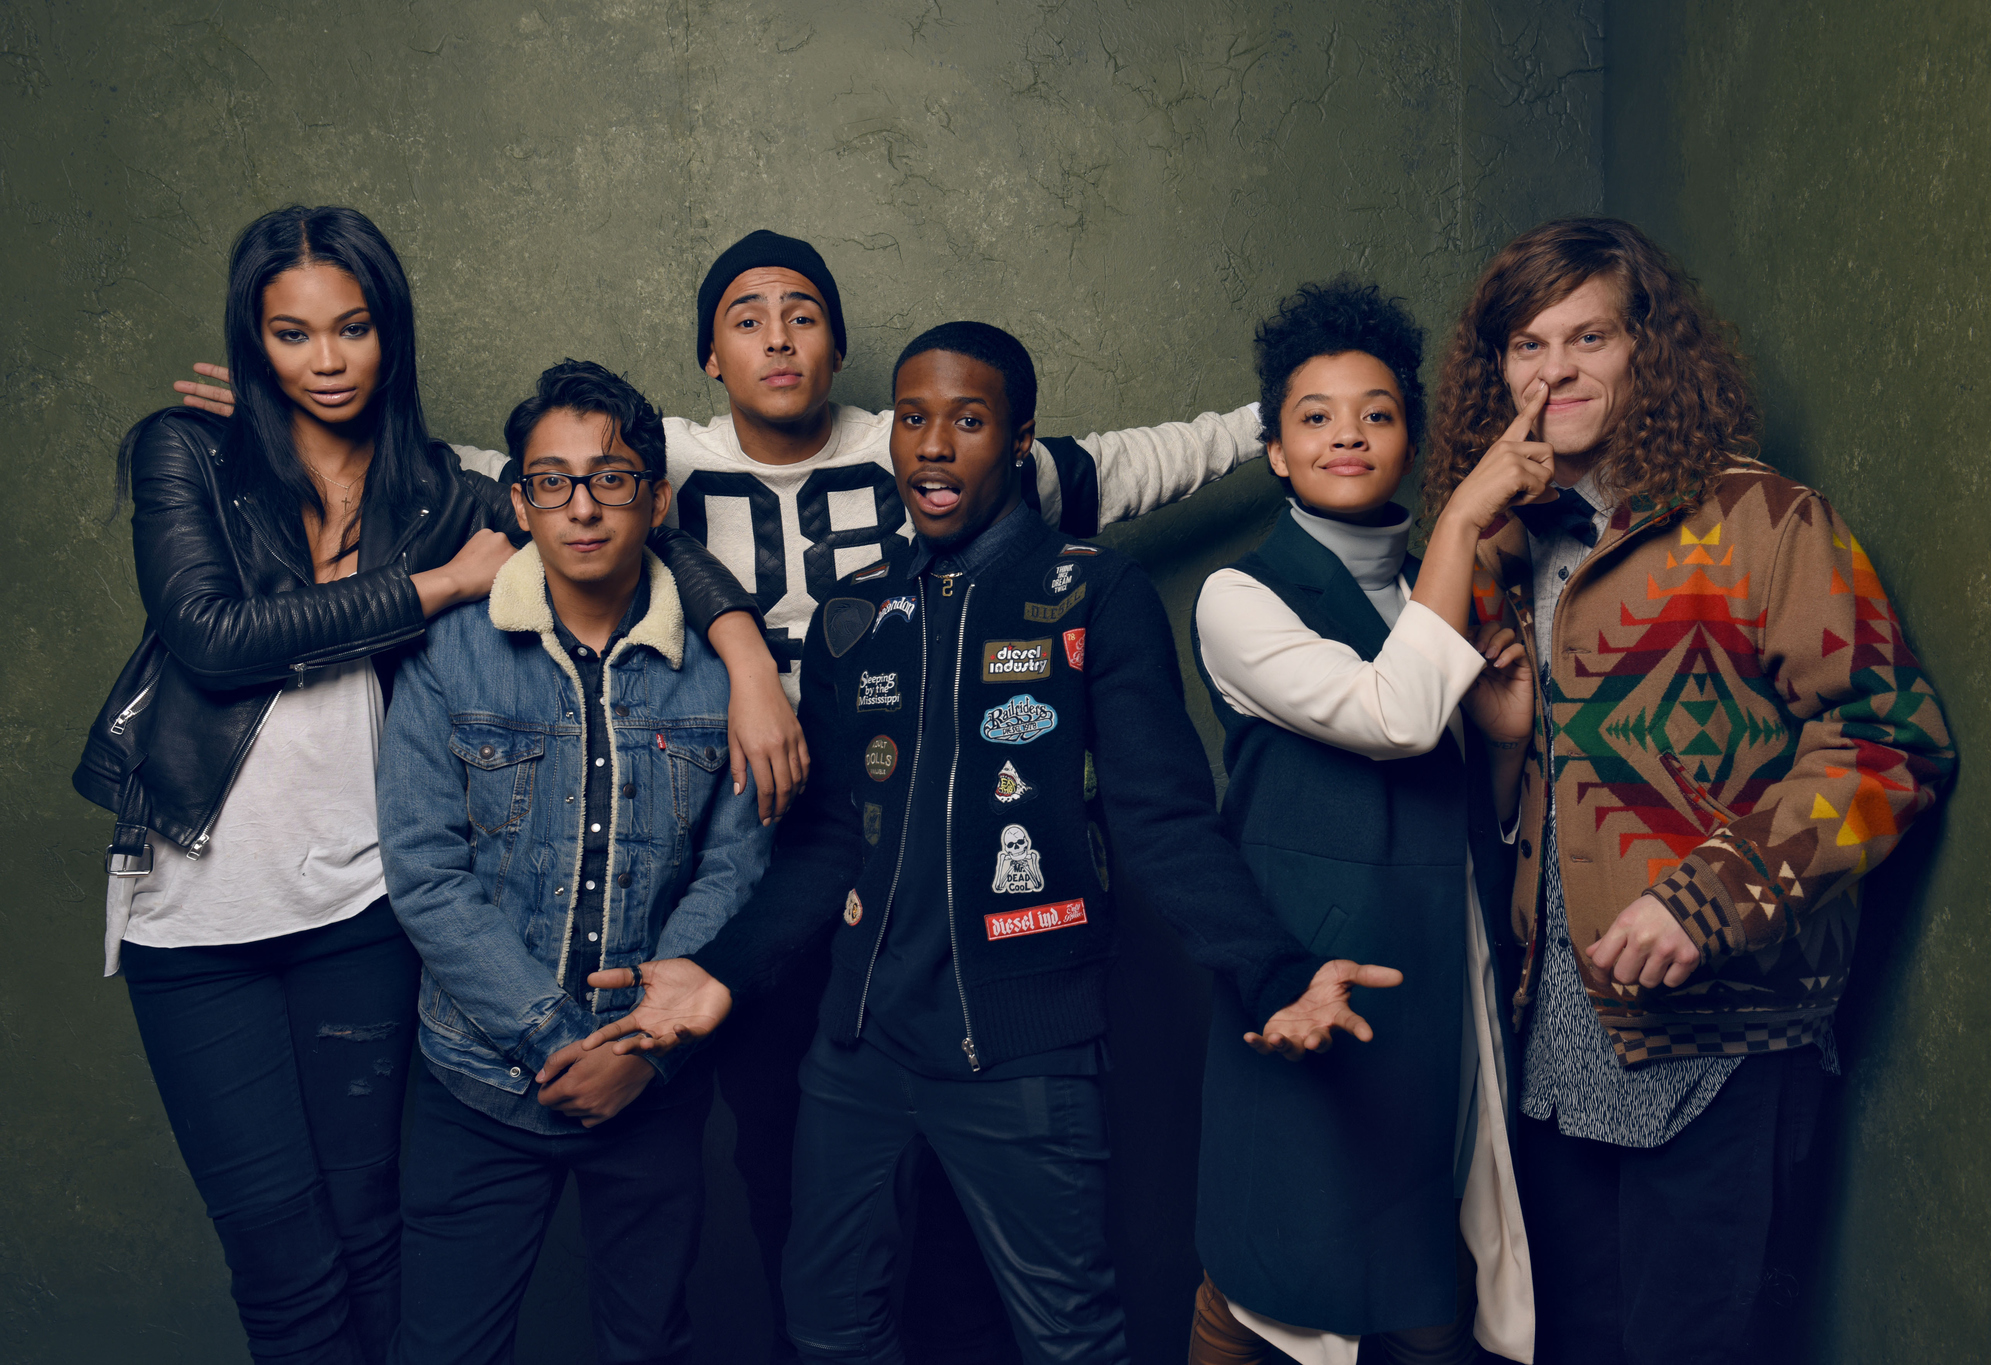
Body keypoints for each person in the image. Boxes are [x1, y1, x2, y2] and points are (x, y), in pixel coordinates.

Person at [174, 228, 1275, 1363]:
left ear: (839, 342)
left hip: (866, 883)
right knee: (800, 1213)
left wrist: (1276, 417)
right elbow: (527, 480)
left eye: (801, 313)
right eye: (745, 318)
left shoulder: (934, 435)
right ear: (709, 355)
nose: (777, 338)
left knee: (956, 1251)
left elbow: (1136, 466)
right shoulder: (666, 470)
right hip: (786, 883)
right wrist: (296, 418)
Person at [577, 320, 1405, 1364]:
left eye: (966, 420)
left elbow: (1163, 822)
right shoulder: (853, 616)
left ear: (1018, 441)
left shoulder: (1092, 595)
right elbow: (829, 841)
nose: (932, 444)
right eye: (913, 418)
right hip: (858, 1053)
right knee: (829, 1327)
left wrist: (1274, 971)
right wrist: (717, 976)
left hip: (1024, 1054)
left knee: (1066, 1341)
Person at [72, 206, 758, 1365]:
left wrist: (740, 645)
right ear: (253, 340)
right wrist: (436, 588)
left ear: (392, 332)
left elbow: (610, 516)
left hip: (359, 909)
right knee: (284, 1265)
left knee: (369, 1240)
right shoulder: (188, 453)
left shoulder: (438, 487)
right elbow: (209, 635)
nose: (327, 363)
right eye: (292, 336)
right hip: (198, 922)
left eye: (353, 329)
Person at [1422, 218, 1955, 1364]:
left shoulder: (1766, 523)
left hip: (1720, 1037)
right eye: (1524, 345)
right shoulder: (1506, 551)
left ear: (1646, 350)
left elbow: (1889, 739)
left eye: (1588, 337)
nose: (1552, 370)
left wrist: (1706, 898)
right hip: (1552, 1038)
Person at [376, 359, 774, 1363]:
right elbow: (424, 870)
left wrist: (638, 1048)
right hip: (475, 1084)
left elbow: (733, 869)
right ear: (519, 501)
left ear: (655, 498)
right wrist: (559, 1041)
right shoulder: (447, 654)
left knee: (649, 1344)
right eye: (551, 481)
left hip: (654, 1095)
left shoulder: (722, 673)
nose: (582, 507)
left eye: (610, 478)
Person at [1185, 277, 1542, 1365]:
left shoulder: (1448, 589)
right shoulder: (1235, 600)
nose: (1348, 434)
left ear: (1408, 436)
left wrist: (1507, 737)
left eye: (1377, 412)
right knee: (1270, 1271)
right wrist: (1472, 512)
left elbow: (1467, 811)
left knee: (1423, 1274)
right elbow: (1390, 716)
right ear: (1277, 453)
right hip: (1302, 969)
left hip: (1436, 969)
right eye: (1315, 416)